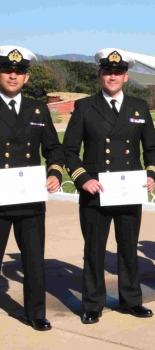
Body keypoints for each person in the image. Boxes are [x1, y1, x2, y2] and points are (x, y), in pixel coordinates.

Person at [62, 48, 155, 324]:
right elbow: (69, 150)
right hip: (96, 190)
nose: (113, 77)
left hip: (129, 190)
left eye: (118, 73)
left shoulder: (139, 108)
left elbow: (152, 149)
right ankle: (93, 304)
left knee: (128, 247)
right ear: (99, 75)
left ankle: (131, 300)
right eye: (108, 72)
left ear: (126, 77)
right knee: (94, 249)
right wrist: (83, 178)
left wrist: (152, 174)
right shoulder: (84, 107)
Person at [0, 46, 64, 331]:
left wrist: (54, 173)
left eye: (19, 72)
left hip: (29, 197)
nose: (13, 76)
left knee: (34, 259)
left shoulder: (37, 109)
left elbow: (53, 148)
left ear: (26, 78)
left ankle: (35, 312)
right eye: (7, 71)